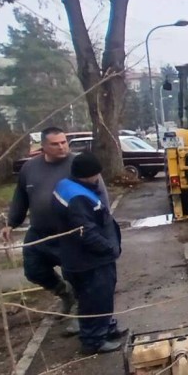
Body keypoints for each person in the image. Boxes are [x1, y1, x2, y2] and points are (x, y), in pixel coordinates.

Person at [2, 127, 109, 336]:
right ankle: (64, 293)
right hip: (40, 232)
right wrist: (11, 223)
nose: (62, 147)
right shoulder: (30, 169)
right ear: (43, 146)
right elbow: (21, 197)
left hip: (70, 234)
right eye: (55, 144)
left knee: (77, 276)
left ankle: (82, 317)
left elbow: (100, 194)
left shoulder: (78, 164)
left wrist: (101, 226)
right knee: (33, 269)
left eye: (64, 142)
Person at [53, 152, 123, 354]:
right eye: (96, 175)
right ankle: (94, 341)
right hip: (90, 261)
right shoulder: (78, 198)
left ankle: (106, 328)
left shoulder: (65, 186)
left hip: (77, 258)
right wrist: (109, 248)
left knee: (95, 298)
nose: (98, 179)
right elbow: (86, 232)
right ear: (88, 174)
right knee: (95, 299)